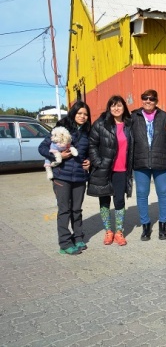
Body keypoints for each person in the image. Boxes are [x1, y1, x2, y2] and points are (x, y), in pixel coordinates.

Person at [38, 101, 91, 255]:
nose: (82, 116)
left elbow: (88, 151)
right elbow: (42, 147)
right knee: (64, 210)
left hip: (80, 176)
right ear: (73, 113)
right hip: (62, 176)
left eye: (85, 114)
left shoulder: (87, 131)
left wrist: (90, 161)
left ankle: (78, 237)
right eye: (79, 113)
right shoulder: (60, 129)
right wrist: (57, 155)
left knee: (76, 209)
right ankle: (65, 243)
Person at [87, 95, 133, 246]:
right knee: (104, 200)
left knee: (119, 200)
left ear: (124, 107)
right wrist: (97, 162)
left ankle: (119, 231)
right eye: (113, 105)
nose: (116, 108)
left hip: (121, 169)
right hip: (104, 169)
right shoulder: (101, 124)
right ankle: (108, 231)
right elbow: (92, 144)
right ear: (109, 107)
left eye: (119, 105)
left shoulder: (129, 124)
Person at [131, 89, 166, 241]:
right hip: (140, 161)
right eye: (145, 98)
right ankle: (145, 226)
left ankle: (163, 225)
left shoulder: (164, 116)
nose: (148, 101)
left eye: (152, 99)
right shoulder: (134, 116)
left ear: (156, 101)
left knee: (163, 193)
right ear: (141, 100)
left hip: (160, 161)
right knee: (142, 194)